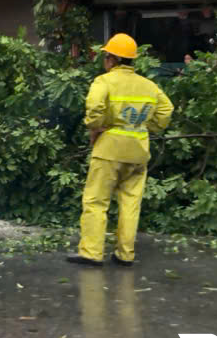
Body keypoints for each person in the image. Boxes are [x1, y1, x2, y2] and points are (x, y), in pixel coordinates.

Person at [68, 33, 174, 268]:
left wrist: (95, 127)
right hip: (138, 151)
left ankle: (92, 252)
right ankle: (125, 254)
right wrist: (148, 126)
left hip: (109, 150)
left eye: (106, 56)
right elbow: (166, 110)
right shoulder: (149, 86)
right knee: (130, 204)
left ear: (112, 59)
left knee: (96, 201)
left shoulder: (103, 82)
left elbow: (94, 108)